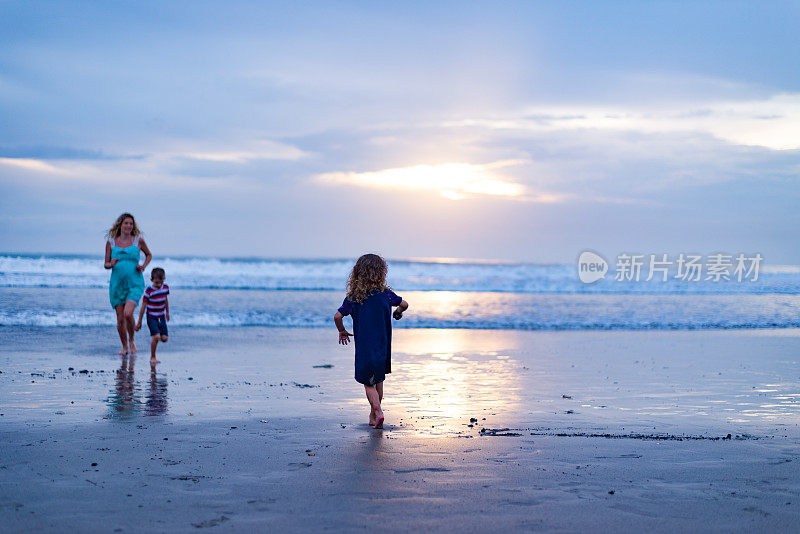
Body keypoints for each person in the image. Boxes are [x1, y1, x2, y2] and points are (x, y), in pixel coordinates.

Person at [334, 254, 409, 429]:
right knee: (379, 380)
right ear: (382, 273)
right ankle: (373, 415)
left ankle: (378, 411)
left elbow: (337, 316)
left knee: (368, 383)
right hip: (383, 346)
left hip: (364, 348)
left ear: (357, 273)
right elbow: (404, 304)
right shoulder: (387, 295)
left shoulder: (354, 297)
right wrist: (397, 313)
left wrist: (342, 331)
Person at [104, 213, 151, 355]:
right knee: (120, 320)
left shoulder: (138, 241)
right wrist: (110, 264)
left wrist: (143, 266)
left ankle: (132, 341)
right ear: (120, 225)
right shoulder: (111, 242)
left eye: (131, 223)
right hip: (117, 285)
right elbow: (106, 264)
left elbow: (149, 255)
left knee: (128, 313)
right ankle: (124, 346)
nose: (129, 226)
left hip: (135, 283)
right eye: (126, 223)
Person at [135, 267, 170, 364]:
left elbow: (165, 299)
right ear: (151, 280)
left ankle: (155, 339)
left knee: (164, 338)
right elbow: (143, 307)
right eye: (156, 282)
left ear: (164, 280)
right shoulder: (149, 291)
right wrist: (139, 321)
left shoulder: (165, 288)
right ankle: (153, 357)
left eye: (161, 282)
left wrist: (167, 312)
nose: (159, 285)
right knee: (156, 337)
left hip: (161, 316)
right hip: (151, 316)